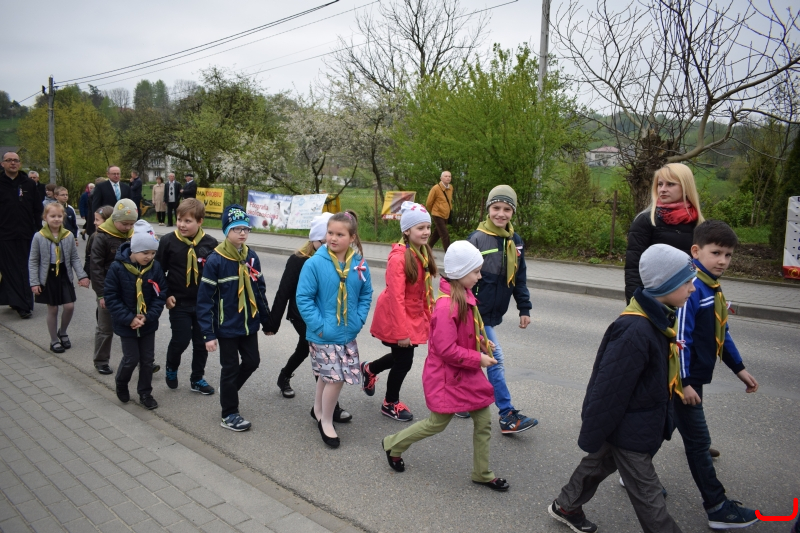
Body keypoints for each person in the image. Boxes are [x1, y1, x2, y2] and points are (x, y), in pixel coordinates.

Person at [547, 243, 696, 533]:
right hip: (631, 428)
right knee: (650, 498)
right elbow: (608, 389)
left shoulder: (659, 318)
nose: (692, 288)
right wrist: (593, 429)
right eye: (686, 282)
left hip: (633, 422)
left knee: (600, 463)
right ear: (665, 284)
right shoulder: (635, 329)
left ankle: (566, 505)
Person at [381, 241, 510, 491]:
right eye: (476, 272)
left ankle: (482, 473)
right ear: (461, 273)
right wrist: (478, 359)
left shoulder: (463, 296)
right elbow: (446, 349)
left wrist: (482, 342)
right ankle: (393, 444)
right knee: (437, 423)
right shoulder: (445, 306)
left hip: (464, 374)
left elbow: (465, 333)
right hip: (447, 378)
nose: (479, 276)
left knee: (484, 420)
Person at [675, 220, 760, 529]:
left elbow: (721, 330)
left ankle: (630, 472)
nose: (723, 260)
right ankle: (717, 507)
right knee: (698, 442)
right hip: (681, 381)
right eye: (716, 253)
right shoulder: (691, 287)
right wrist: (684, 382)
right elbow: (680, 340)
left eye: (728, 255)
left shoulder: (711, 285)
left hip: (689, 379)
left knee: (657, 429)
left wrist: (739, 368)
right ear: (696, 251)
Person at [265, 213, 354, 423]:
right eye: (322, 241)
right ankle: (329, 409)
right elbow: (283, 291)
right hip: (301, 315)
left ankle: (284, 376)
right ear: (314, 239)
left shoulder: (337, 259)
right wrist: (272, 324)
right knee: (321, 354)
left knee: (304, 349)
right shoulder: (298, 260)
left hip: (324, 315)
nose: (328, 245)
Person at [464, 185, 538, 435]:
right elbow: (460, 278)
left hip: (493, 313)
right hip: (475, 312)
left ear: (513, 212)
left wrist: (524, 307)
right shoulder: (476, 239)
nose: (501, 214)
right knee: (495, 359)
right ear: (488, 209)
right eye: (496, 207)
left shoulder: (515, 241)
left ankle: (462, 399)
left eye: (507, 209)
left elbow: (519, 277)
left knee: (472, 358)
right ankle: (506, 414)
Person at [296, 212, 373, 448]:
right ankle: (326, 422)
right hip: (323, 333)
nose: (333, 238)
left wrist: (358, 320)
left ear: (352, 237)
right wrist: (320, 327)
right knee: (336, 378)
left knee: (327, 375)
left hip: (347, 332)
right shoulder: (314, 263)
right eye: (330, 233)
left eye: (340, 234)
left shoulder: (359, 264)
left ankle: (318, 410)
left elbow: (366, 294)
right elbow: (304, 298)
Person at [197, 204, 271, 432]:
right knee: (229, 368)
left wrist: (267, 320)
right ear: (226, 231)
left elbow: (259, 290)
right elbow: (205, 300)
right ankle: (229, 414)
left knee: (252, 362)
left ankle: (228, 390)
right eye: (236, 229)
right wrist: (208, 334)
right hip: (226, 326)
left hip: (248, 324)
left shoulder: (251, 257)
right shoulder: (215, 260)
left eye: (245, 229)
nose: (242, 233)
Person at [363, 202, 437, 422]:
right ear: (406, 231)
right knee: (404, 361)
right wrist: (401, 333)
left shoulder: (422, 252)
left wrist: (430, 316)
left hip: (412, 314)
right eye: (420, 228)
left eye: (427, 227)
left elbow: (423, 292)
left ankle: (369, 369)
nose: (426, 232)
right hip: (397, 317)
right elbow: (396, 299)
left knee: (400, 358)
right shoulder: (399, 258)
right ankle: (390, 403)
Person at [156, 199, 218, 395]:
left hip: (203, 305)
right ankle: (171, 367)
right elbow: (158, 272)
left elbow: (216, 274)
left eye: (188, 221)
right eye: (179, 219)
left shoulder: (210, 243)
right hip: (179, 302)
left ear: (200, 221)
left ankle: (197, 378)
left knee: (201, 343)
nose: (182, 224)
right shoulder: (168, 241)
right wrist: (166, 295)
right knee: (181, 340)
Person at [104, 220, 167, 410]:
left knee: (147, 360)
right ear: (134, 249)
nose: (149, 257)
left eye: (153, 253)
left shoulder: (155, 268)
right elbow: (112, 297)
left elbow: (160, 294)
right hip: (126, 323)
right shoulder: (117, 268)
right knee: (131, 358)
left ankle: (145, 393)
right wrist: (130, 318)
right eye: (145, 253)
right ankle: (121, 382)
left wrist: (147, 316)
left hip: (147, 323)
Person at [625, 163, 705, 303]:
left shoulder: (698, 224)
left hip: (689, 300)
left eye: (670, 184)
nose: (663, 189)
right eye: (660, 184)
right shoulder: (646, 221)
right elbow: (633, 268)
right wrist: (635, 304)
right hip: (655, 301)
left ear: (686, 186)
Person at [29, 203, 90, 353]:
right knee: (53, 309)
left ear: (63, 217)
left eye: (59, 216)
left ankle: (62, 332)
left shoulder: (68, 235)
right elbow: (33, 261)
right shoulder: (39, 236)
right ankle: (54, 340)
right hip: (48, 276)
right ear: (45, 217)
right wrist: (34, 282)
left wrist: (82, 276)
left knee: (69, 306)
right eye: (52, 216)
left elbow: (74, 258)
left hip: (63, 274)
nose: (56, 219)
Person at [90, 199, 137, 375]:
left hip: (129, 289)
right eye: (124, 224)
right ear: (115, 219)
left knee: (135, 325)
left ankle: (141, 360)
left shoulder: (133, 235)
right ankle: (101, 360)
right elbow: (95, 267)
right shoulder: (101, 237)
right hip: (108, 290)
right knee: (105, 328)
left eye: (131, 224)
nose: (128, 227)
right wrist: (102, 294)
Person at [0, 152, 42, 319]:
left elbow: (37, 209)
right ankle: (19, 303)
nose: (13, 163)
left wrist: (40, 231)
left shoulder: (28, 184)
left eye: (15, 160)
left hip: (27, 234)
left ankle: (23, 303)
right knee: (10, 269)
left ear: (20, 163)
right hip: (5, 234)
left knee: (25, 268)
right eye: (9, 160)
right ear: (2, 164)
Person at [89, 166, 133, 236]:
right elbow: (96, 205)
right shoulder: (101, 187)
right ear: (108, 174)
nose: (116, 176)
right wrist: (97, 220)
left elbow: (130, 204)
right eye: (114, 174)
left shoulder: (126, 188)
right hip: (106, 220)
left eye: (118, 174)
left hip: (121, 221)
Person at [426, 170, 453, 251]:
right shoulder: (435, 188)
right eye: (446, 176)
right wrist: (435, 211)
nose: (448, 178)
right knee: (445, 234)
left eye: (449, 176)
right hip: (437, 214)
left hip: (446, 215)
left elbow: (449, 201)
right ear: (441, 178)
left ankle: (427, 250)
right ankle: (449, 254)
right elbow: (429, 203)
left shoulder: (451, 188)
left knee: (436, 234)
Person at [84, 206, 113, 280]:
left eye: (97, 220)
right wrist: (87, 274)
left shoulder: (115, 238)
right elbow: (88, 256)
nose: (94, 222)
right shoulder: (94, 236)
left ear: (107, 221)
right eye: (95, 219)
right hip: (98, 277)